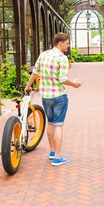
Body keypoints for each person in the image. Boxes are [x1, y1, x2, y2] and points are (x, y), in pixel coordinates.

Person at [25, 33, 82, 166]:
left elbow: (35, 71)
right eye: (67, 43)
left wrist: (28, 85)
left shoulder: (43, 54)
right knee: (58, 125)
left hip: (45, 96)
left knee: (50, 123)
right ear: (60, 43)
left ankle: (52, 151)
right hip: (58, 96)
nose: (68, 46)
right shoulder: (62, 58)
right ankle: (57, 157)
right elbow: (62, 79)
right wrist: (74, 84)